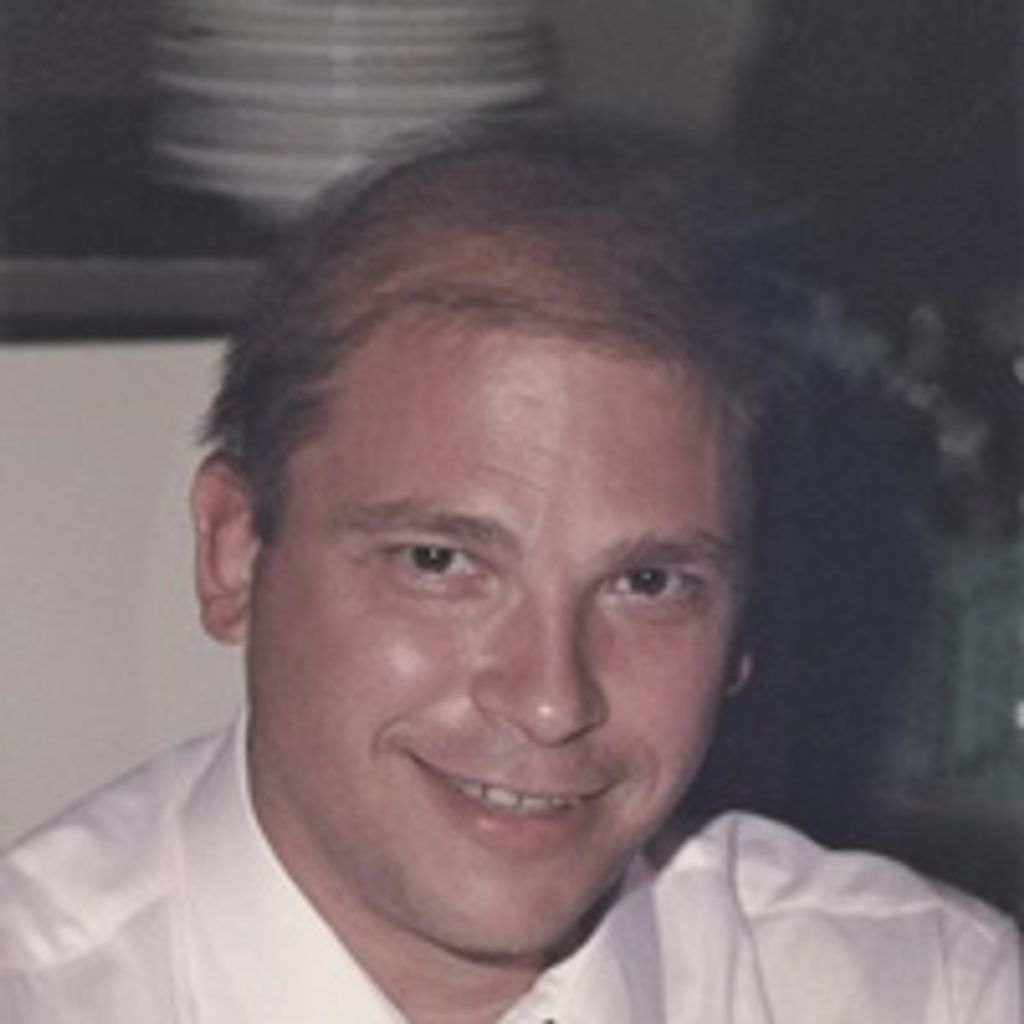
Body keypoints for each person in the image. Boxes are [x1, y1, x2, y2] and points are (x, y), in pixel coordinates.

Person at [1, 119, 1019, 1023]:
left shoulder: (927, 993)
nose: (549, 700)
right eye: (439, 562)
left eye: (649, 584)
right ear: (233, 551)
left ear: (742, 631)